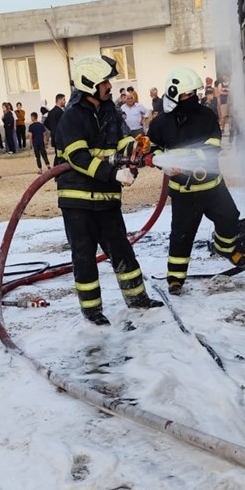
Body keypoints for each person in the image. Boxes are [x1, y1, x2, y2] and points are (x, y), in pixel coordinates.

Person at [54, 55, 161, 325]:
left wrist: (136, 150)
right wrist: (113, 173)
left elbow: (123, 140)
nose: (110, 86)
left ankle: (138, 299)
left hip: (107, 199)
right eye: (105, 82)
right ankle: (92, 312)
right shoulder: (72, 118)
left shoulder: (109, 112)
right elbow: (78, 158)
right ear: (89, 84)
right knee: (84, 257)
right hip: (78, 202)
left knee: (122, 250)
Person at [147, 67, 245, 294]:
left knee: (230, 217)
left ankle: (225, 248)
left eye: (193, 94)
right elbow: (150, 149)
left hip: (213, 187)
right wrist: (160, 161)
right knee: (182, 235)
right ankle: (175, 277)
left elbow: (213, 147)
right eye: (185, 95)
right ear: (172, 95)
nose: (191, 99)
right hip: (183, 192)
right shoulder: (161, 123)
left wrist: (186, 157)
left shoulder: (206, 115)